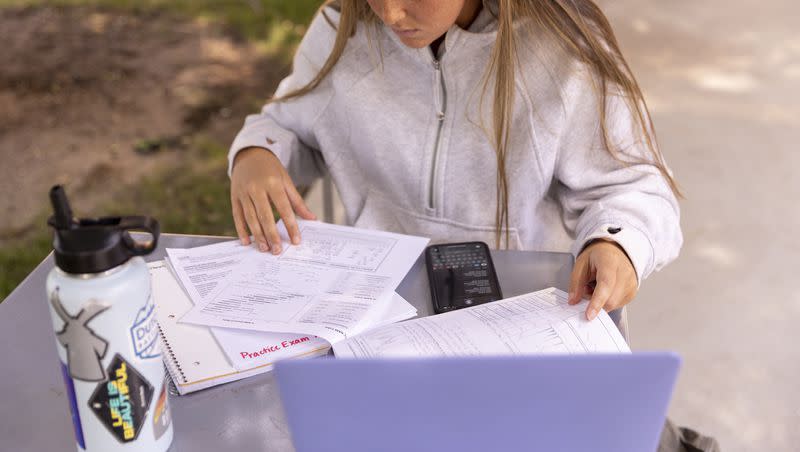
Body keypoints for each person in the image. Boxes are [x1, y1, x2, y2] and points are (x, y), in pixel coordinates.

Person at [227, 0, 682, 322]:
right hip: (369, 311)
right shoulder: (340, 30)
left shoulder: (563, 53)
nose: (390, 12)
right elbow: (288, 127)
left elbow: (633, 187)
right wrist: (258, 152)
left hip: (513, 313)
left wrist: (616, 244)